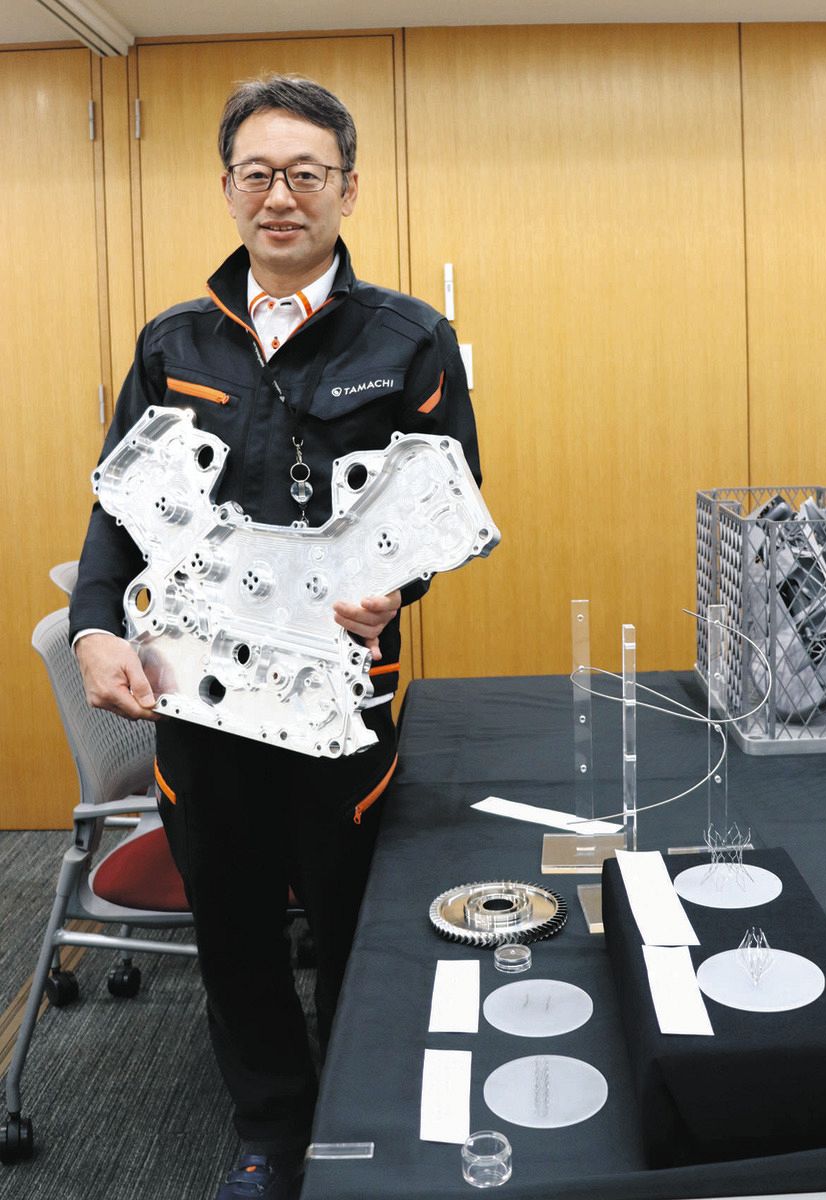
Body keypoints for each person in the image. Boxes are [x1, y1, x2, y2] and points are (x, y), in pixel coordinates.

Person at [69, 74, 480, 1200]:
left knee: (356, 920)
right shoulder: (173, 342)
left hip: (340, 693)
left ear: (347, 188)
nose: (280, 196)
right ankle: (268, 1127)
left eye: (305, 173)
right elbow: (116, 511)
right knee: (235, 924)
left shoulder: (409, 338)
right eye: (258, 174)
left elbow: (442, 511)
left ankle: (357, 1116)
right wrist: (95, 627)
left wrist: (396, 590)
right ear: (228, 188)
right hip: (198, 695)